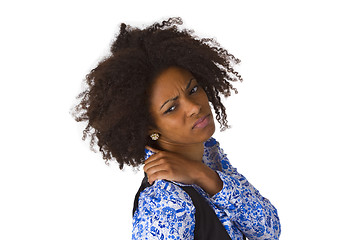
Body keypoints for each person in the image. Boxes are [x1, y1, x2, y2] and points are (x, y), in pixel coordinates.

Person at [71, 17, 281, 240]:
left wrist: (203, 175)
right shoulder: (166, 202)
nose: (193, 107)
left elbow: (268, 230)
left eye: (193, 90)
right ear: (151, 128)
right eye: (171, 108)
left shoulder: (210, 160)